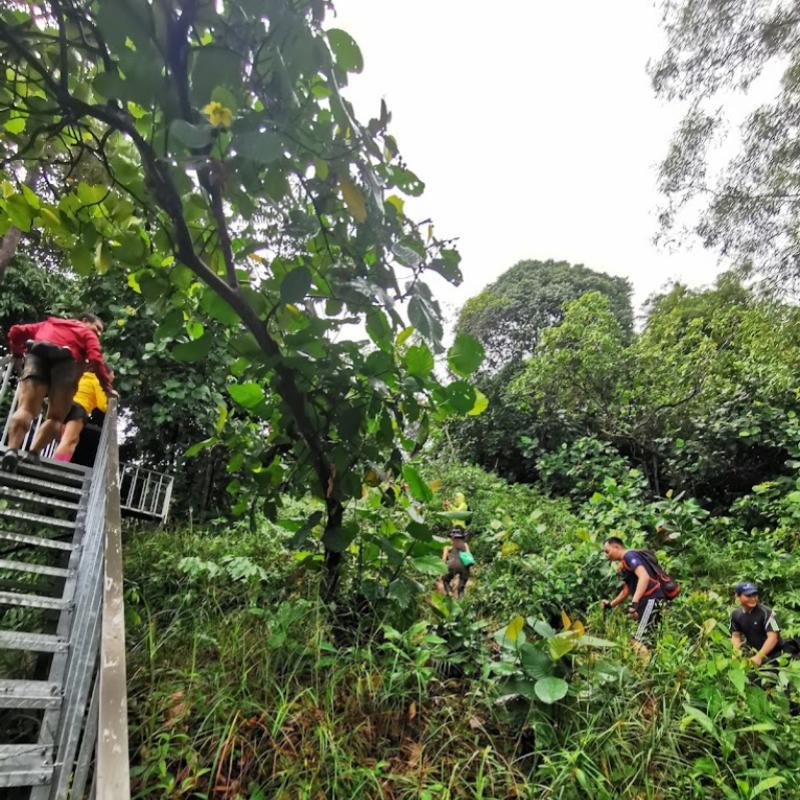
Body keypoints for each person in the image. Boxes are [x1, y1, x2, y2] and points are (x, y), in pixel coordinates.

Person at [3, 313, 114, 471]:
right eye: (97, 328)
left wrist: (18, 353)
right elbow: (96, 359)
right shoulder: (86, 333)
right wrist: (107, 387)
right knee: (56, 418)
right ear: (84, 321)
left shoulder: (49, 324)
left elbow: (15, 331)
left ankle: (11, 450)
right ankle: (33, 454)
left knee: (25, 409)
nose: (99, 333)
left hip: (37, 355)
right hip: (67, 365)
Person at [600, 536, 667, 655]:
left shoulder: (629, 556)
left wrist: (634, 604)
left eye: (607, 551)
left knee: (638, 640)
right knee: (649, 640)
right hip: (650, 601)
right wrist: (611, 604)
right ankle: (652, 663)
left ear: (616, 547)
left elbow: (644, 577)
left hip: (651, 600)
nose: (606, 555)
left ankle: (644, 666)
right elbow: (626, 591)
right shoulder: (626, 562)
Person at [52, 369, 111, 462]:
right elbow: (102, 405)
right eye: (112, 374)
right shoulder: (98, 382)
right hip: (79, 409)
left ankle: (62, 462)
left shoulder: (82, 376)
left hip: (67, 405)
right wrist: (110, 405)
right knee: (69, 439)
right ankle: (56, 464)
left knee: (72, 440)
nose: (113, 377)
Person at [730, 582, 782, 667]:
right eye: (748, 596)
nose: (753, 599)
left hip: (775, 656)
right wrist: (736, 654)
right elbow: (736, 636)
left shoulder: (769, 613)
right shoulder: (735, 614)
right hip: (753, 654)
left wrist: (759, 656)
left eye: (754, 595)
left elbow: (773, 637)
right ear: (737, 596)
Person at [442, 528, 472, 599]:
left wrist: (442, 571)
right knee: (461, 587)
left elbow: (444, 559)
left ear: (451, 537)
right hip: (464, 566)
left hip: (452, 564)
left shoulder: (448, 547)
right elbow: (469, 556)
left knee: (445, 580)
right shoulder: (465, 545)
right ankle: (461, 599)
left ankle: (449, 592)